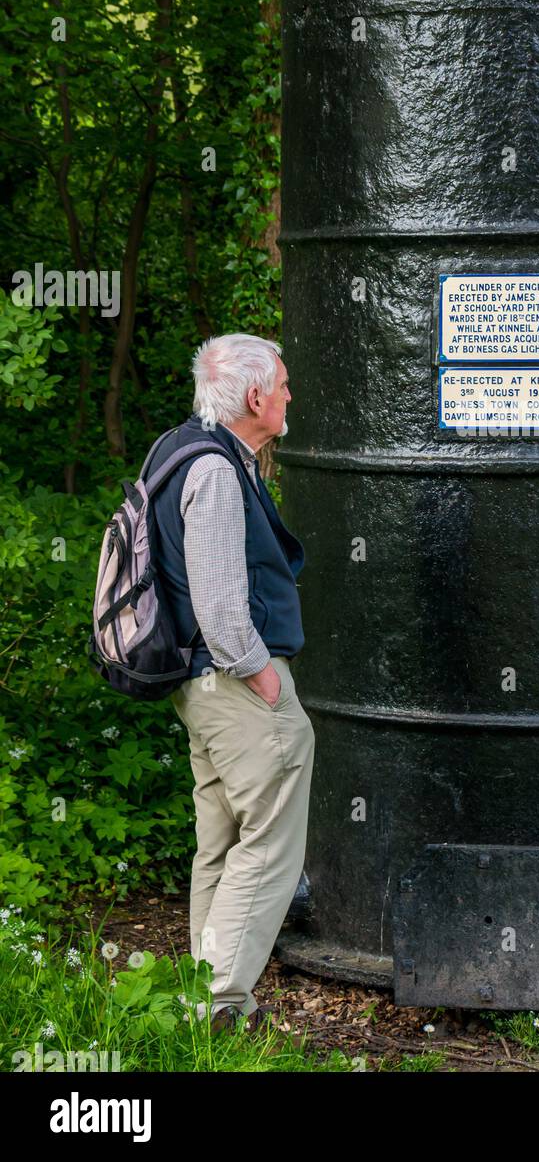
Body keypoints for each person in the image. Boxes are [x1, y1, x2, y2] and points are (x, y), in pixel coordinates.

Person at [147, 332, 314, 1032]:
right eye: (280, 385)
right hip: (238, 683)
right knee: (268, 844)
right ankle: (218, 1006)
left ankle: (199, 1000)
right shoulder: (215, 470)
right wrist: (263, 679)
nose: (287, 396)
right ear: (253, 397)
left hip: (200, 688)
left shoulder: (174, 448)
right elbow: (219, 606)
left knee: (219, 840)